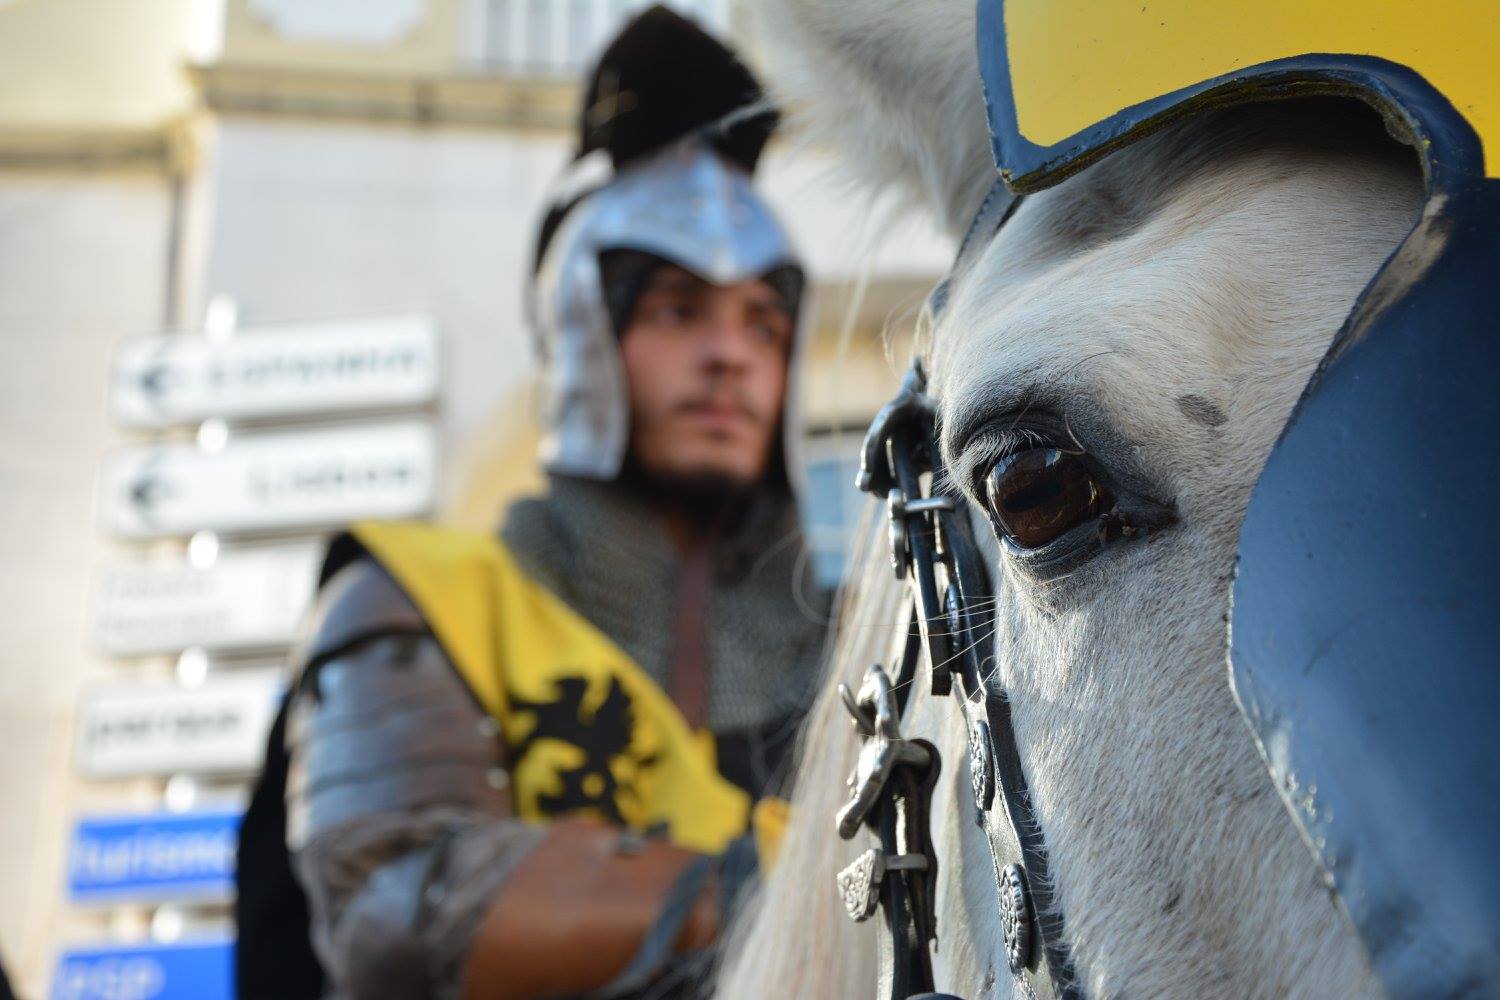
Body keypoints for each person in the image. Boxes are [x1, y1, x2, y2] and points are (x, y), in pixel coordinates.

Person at [234, 7, 828, 999]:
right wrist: (789, 880)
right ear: (583, 336)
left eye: (764, 323)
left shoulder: (852, 646)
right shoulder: (422, 598)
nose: (731, 355)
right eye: (680, 310)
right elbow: (401, 913)